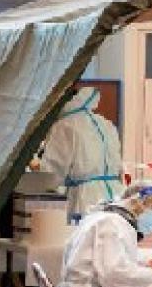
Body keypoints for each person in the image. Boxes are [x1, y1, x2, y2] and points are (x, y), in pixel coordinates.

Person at [34, 87, 123, 221]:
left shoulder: (64, 126)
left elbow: (53, 173)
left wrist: (38, 171)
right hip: (116, 194)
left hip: (85, 199)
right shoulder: (105, 123)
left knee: (86, 238)